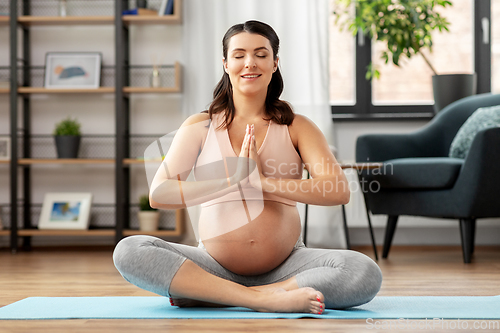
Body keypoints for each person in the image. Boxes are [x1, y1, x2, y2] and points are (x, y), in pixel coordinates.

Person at [113, 20, 382, 314]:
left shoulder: (297, 126)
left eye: (261, 54)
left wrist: (261, 182)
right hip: (212, 266)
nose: (249, 63)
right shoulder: (199, 126)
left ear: (275, 63)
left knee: (363, 271)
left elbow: (338, 191)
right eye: (239, 55)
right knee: (129, 251)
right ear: (226, 64)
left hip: (287, 267)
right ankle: (261, 299)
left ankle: (223, 295)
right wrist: (234, 180)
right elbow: (160, 194)